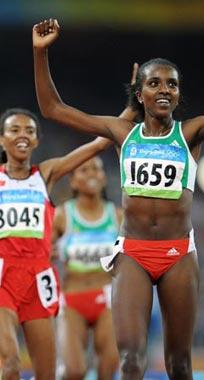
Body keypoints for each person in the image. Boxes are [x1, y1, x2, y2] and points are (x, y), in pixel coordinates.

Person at [33, 17, 204, 380]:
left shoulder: (191, 133)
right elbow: (54, 109)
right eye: (154, 82)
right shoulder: (123, 132)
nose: (164, 90)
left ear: (177, 93)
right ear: (139, 94)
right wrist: (40, 53)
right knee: (130, 361)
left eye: (171, 85)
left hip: (178, 255)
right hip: (134, 253)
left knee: (179, 364)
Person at [0, 108, 115, 380]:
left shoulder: (45, 174)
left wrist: (131, 108)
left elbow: (99, 144)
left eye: (29, 130)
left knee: (47, 375)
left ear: (37, 140)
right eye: (14, 130)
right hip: (3, 276)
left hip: (38, 279)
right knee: (10, 366)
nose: (22, 135)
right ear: (2, 139)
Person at [53, 156, 121, 380]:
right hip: (73, 299)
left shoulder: (118, 216)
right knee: (74, 371)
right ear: (72, 181)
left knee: (107, 369)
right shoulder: (62, 216)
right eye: (84, 170)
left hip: (108, 298)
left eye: (96, 169)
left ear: (104, 177)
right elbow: (41, 250)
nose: (91, 173)